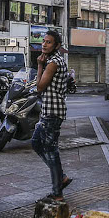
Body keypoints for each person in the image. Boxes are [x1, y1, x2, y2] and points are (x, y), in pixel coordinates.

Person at [32, 30, 72, 200]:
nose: (44, 44)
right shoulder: (54, 61)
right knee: (36, 142)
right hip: (49, 111)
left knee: (51, 150)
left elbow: (39, 87)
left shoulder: (53, 62)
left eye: (49, 42)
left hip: (53, 112)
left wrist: (40, 66)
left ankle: (57, 193)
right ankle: (60, 176)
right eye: (43, 41)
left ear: (57, 46)